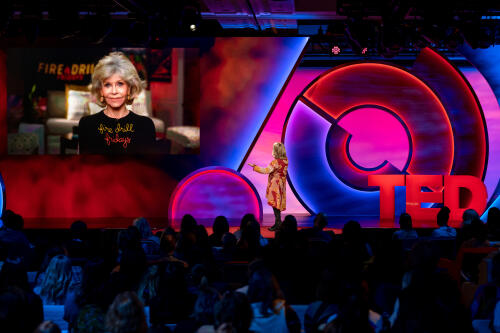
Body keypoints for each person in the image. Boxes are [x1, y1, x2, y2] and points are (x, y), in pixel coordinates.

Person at [79, 52, 155, 154]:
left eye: (120, 84)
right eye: (108, 85)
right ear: (100, 90)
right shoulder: (87, 124)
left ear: (129, 88)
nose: (114, 91)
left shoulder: (146, 125)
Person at [249, 142, 288, 231]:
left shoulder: (275, 163)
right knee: (276, 204)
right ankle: (278, 223)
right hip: (281, 185)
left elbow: (265, 171)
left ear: (276, 151)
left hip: (275, 185)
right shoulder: (286, 161)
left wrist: (255, 167)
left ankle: (278, 224)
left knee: (275, 205)